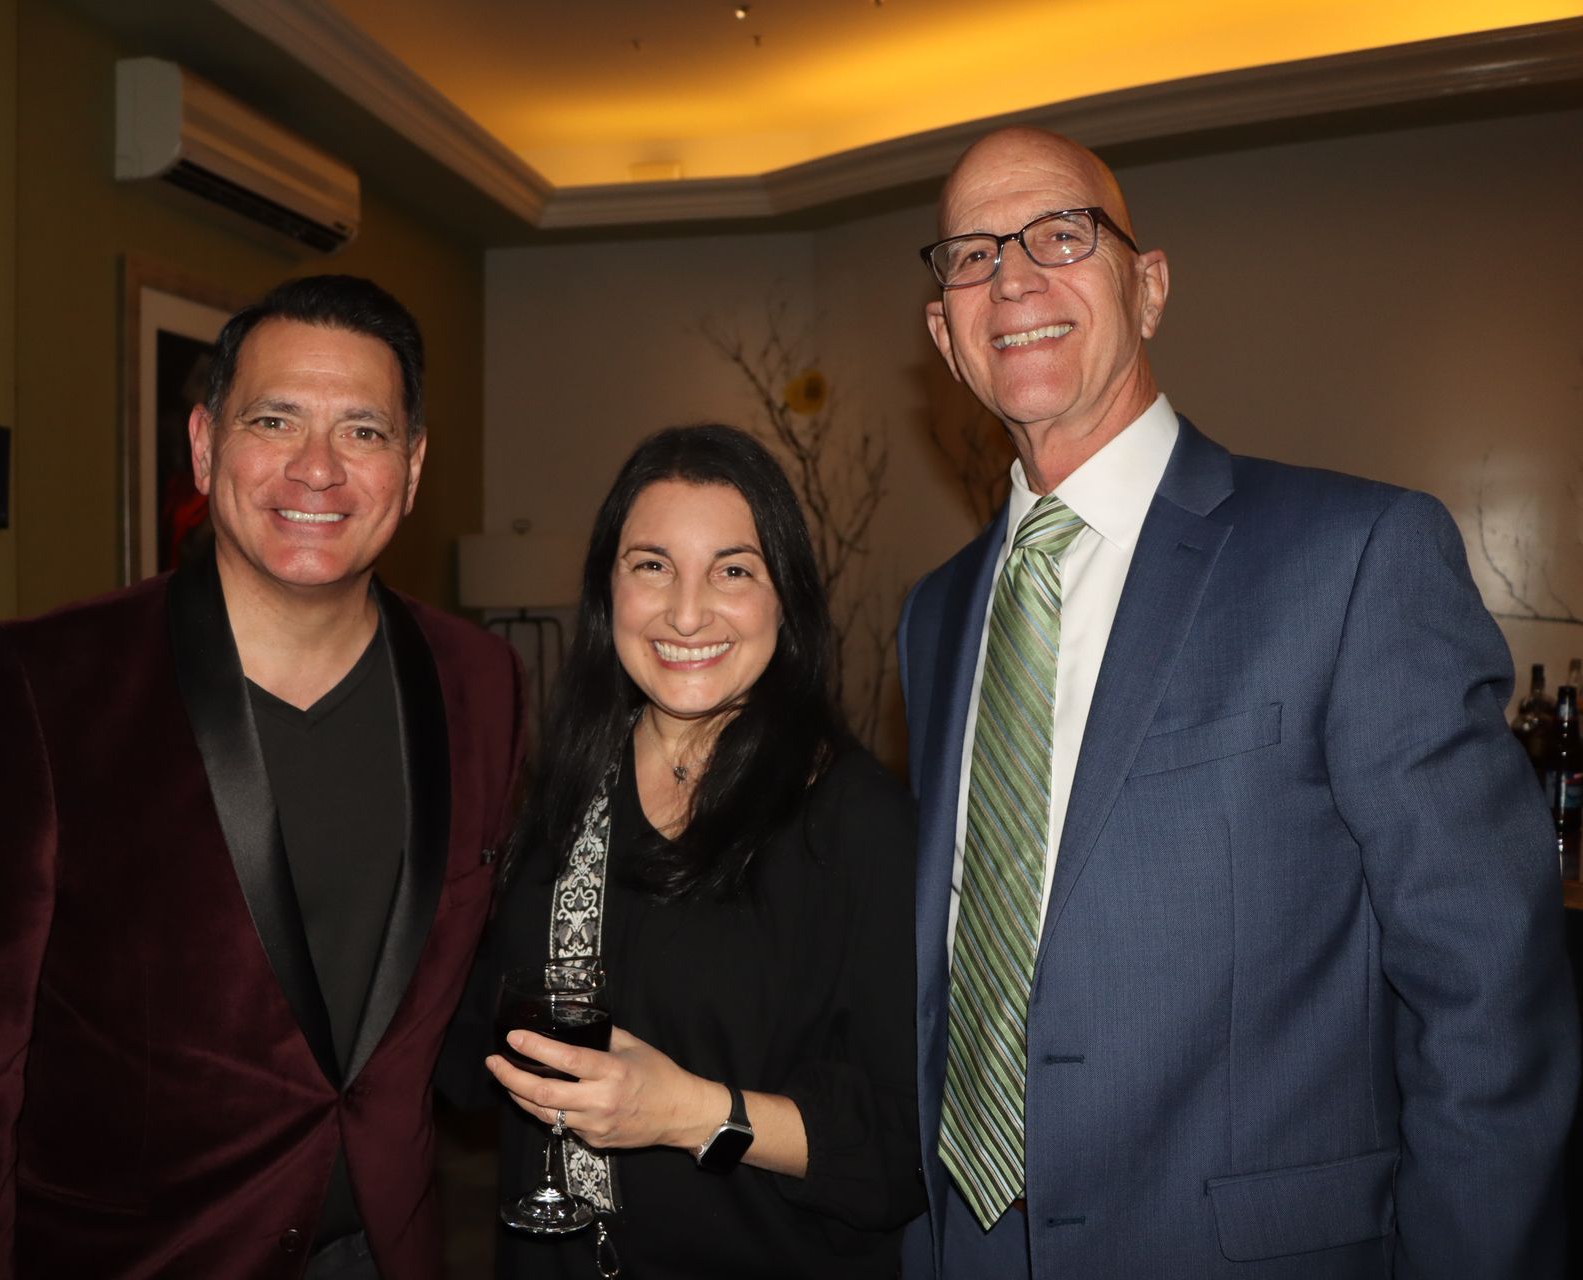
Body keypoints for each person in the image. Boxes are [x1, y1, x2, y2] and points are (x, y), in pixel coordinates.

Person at [897, 126, 1578, 1279]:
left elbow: (1488, 1003)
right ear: (944, 332)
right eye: (970, 256)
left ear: (1148, 286)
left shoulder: (1357, 556)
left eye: (1063, 234)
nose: (1013, 277)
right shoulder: (935, 613)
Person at [0, 275, 525, 1280]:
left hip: (387, 1250)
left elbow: (476, 986)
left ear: (414, 462)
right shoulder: (47, 685)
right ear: (206, 443)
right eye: (276, 420)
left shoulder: (479, 681)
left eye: (363, 432)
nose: (318, 470)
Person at [481, 424, 923, 1278]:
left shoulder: (856, 824)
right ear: (608, 589)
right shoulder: (564, 792)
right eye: (652, 565)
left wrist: (686, 1114)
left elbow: (899, 1151)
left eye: (733, 570)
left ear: (785, 597)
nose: (687, 613)